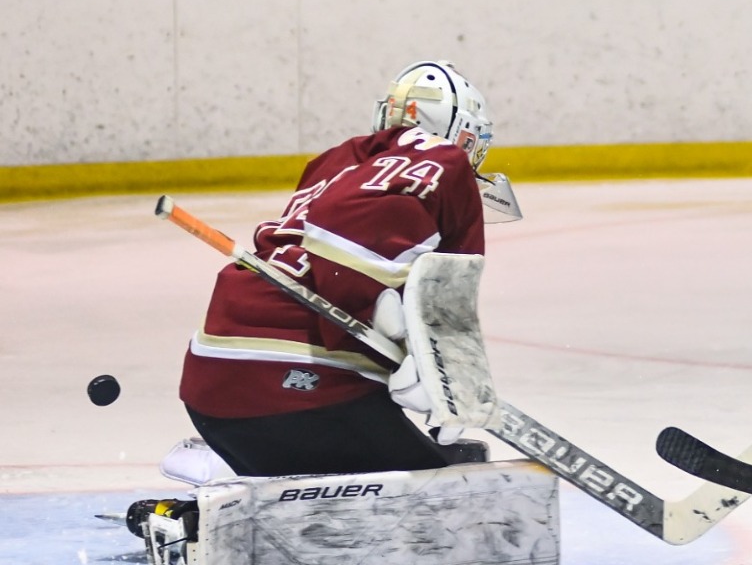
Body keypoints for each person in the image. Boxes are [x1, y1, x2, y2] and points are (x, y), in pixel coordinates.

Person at [169, 60, 512, 481]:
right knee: (451, 496)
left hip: (212, 383)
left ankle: (235, 486)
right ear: (451, 127)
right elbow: (343, 232)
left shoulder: (337, 163)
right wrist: (428, 353)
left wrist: (403, 344)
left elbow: (336, 228)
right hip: (298, 388)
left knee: (450, 461)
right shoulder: (442, 159)